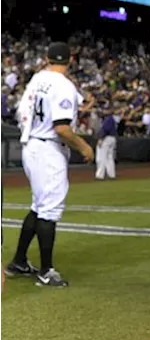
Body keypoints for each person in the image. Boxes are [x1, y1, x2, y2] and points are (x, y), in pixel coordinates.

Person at [4, 42, 96, 288]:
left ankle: (19, 262)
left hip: (32, 145)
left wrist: (82, 101)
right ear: (71, 60)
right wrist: (83, 146)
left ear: (46, 58)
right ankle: (47, 271)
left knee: (39, 206)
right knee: (49, 210)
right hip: (49, 148)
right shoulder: (64, 85)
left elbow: (58, 98)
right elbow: (63, 128)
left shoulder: (38, 78)